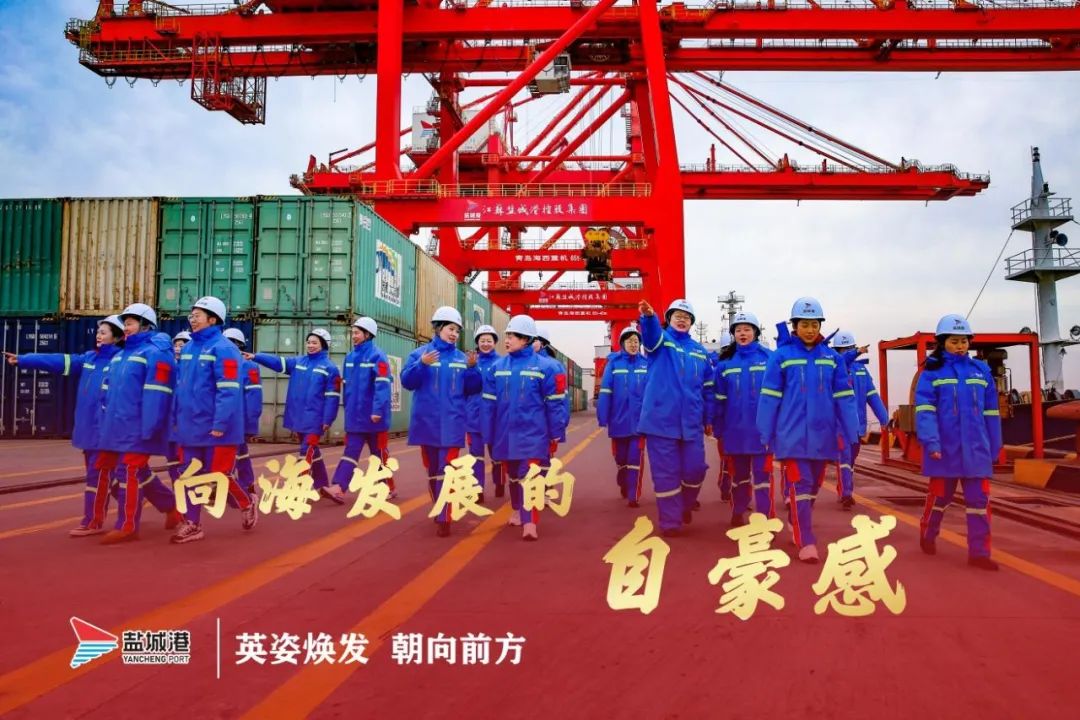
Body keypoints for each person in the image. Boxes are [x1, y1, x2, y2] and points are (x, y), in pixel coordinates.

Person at [4, 315, 128, 536]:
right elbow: (58, 361)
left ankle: (93, 521)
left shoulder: (122, 362)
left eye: (104, 332)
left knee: (98, 477)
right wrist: (25, 359)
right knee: (113, 477)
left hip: (107, 431)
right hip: (88, 430)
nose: (98, 335)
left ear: (117, 337)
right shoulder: (89, 359)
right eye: (98, 332)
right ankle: (158, 504)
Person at [757, 297, 858, 563]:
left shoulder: (832, 358)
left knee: (813, 487)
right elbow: (769, 396)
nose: (810, 329)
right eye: (804, 324)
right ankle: (807, 541)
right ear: (795, 326)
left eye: (814, 324)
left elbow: (844, 396)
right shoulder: (781, 357)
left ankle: (796, 519)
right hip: (791, 436)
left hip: (823, 436)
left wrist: (852, 429)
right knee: (800, 485)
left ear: (820, 325)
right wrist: (765, 431)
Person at [916, 314, 1002, 571]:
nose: (960, 346)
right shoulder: (932, 373)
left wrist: (995, 445)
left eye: (964, 341)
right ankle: (928, 533)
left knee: (979, 503)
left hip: (976, 449)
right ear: (943, 342)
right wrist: (932, 442)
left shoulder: (981, 372)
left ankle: (979, 553)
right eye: (954, 341)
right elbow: (925, 411)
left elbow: (991, 412)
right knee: (940, 498)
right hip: (945, 449)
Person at [170, 296, 258, 544]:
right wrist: (176, 417)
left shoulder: (225, 349)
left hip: (219, 428)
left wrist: (220, 424)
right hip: (191, 425)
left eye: (197, 315)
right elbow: (180, 387)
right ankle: (192, 524)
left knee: (219, 476)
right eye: (192, 315)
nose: (192, 319)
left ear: (212, 319)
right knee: (189, 475)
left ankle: (247, 502)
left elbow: (228, 390)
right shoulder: (189, 348)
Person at [96, 303, 183, 544]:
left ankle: (127, 526)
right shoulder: (120, 356)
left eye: (130, 323)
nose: (126, 328)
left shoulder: (156, 354)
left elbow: (158, 392)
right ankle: (171, 507)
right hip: (117, 426)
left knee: (130, 471)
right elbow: (107, 393)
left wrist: (150, 426)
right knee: (125, 470)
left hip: (138, 426)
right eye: (125, 323)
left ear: (146, 325)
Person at [401, 306, 482, 537]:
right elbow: (407, 382)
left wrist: (473, 370)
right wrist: (421, 364)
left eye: (457, 330)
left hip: (452, 423)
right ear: (438, 328)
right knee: (433, 470)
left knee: (446, 469)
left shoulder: (462, 359)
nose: (454, 334)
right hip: (426, 422)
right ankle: (440, 507)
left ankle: (444, 516)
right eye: (450, 329)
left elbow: (473, 388)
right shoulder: (420, 354)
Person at [636, 298, 714, 537]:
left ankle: (685, 505)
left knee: (695, 470)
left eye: (686, 317)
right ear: (668, 319)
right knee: (666, 475)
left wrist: (708, 418)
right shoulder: (661, 341)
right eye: (677, 316)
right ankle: (671, 522)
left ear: (692, 322)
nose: (682, 319)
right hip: (660, 422)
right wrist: (649, 318)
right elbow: (650, 338)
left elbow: (708, 389)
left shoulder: (700, 352)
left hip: (691, 422)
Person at [482, 315, 564, 541]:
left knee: (529, 476)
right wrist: (488, 434)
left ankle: (530, 522)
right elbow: (488, 405)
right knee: (513, 476)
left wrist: (556, 431)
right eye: (507, 335)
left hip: (533, 433)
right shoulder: (496, 368)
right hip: (505, 433)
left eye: (512, 336)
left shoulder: (546, 367)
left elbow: (555, 404)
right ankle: (518, 509)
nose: (507, 340)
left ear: (526, 339)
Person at [249, 327, 342, 500]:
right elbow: (278, 362)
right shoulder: (298, 362)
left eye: (314, 343)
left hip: (315, 418)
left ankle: (299, 489)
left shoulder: (330, 368)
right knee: (312, 451)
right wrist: (256, 356)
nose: (310, 345)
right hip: (297, 416)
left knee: (306, 452)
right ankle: (322, 485)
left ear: (323, 345)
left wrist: (328, 419)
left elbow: (333, 397)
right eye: (309, 342)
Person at [713, 311, 774, 525]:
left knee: (763, 478)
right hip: (735, 431)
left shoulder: (770, 359)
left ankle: (766, 518)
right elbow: (719, 399)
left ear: (756, 332)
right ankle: (738, 511)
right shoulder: (725, 364)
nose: (742, 333)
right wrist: (718, 427)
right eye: (738, 330)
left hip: (762, 432)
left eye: (747, 329)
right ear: (733, 334)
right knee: (739, 477)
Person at [326, 316, 395, 503]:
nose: (354, 336)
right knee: (350, 452)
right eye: (353, 333)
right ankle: (338, 487)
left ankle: (388, 487)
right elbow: (347, 387)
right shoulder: (349, 357)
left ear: (367, 334)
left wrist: (377, 410)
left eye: (357, 333)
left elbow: (383, 385)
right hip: (355, 417)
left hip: (375, 417)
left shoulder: (378, 356)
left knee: (379, 455)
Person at [831, 330, 890, 509]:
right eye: (842, 350)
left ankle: (844, 488)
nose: (846, 352)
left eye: (849, 348)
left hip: (858, 426)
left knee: (851, 459)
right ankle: (846, 494)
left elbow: (872, 396)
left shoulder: (862, 371)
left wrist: (884, 418)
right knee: (845, 457)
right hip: (839, 424)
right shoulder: (834, 369)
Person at [596, 325, 649, 508]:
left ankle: (634, 496)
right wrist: (603, 416)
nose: (633, 344)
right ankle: (623, 479)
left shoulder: (646, 364)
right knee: (621, 459)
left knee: (635, 459)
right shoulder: (614, 364)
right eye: (629, 341)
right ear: (622, 344)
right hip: (618, 420)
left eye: (636, 341)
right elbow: (605, 391)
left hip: (640, 422)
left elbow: (653, 392)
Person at [465, 324, 503, 502]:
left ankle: (500, 481)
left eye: (489, 340)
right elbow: (468, 387)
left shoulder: (502, 363)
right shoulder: (471, 362)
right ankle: (477, 489)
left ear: (495, 342)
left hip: (495, 417)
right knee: (476, 456)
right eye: (482, 340)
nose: (486, 344)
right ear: (477, 342)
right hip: (474, 416)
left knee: (497, 455)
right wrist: (471, 368)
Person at [223, 328, 262, 496]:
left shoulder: (249, 366)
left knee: (231, 453)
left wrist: (251, 422)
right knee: (241, 452)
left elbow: (254, 396)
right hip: (226, 418)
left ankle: (230, 487)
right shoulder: (221, 363)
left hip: (240, 419)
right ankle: (247, 483)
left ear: (238, 345)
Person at [532, 325, 570, 464]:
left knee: (543, 461)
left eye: (534, 340)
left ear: (543, 343)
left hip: (545, 423)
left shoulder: (554, 366)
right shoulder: (520, 362)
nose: (530, 343)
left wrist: (559, 426)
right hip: (526, 422)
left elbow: (561, 399)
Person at [165, 330, 192, 482]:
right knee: (172, 462)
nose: (177, 348)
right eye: (175, 345)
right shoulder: (169, 368)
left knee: (186, 463)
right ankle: (177, 490)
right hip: (170, 425)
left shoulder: (192, 370)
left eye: (181, 345)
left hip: (186, 424)